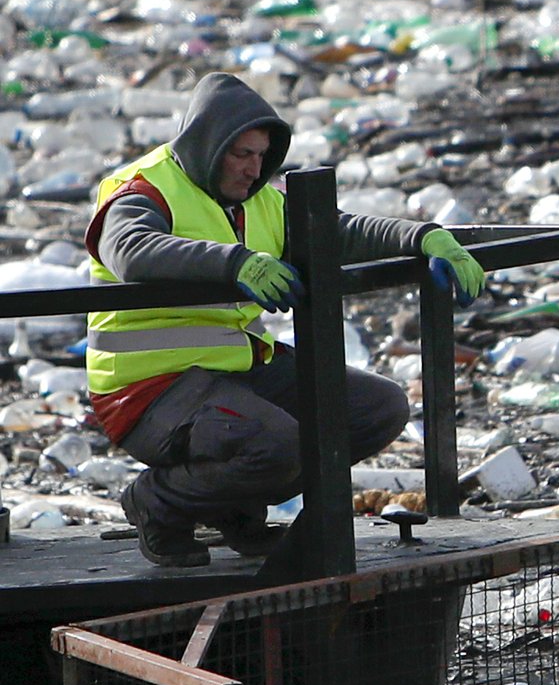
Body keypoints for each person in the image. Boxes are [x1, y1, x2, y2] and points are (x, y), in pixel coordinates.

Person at [83, 72, 489, 568]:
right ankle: (158, 502)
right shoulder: (143, 189)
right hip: (149, 389)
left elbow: (336, 230)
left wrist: (424, 237)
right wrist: (236, 263)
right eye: (241, 154)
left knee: (376, 408)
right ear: (209, 145)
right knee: (278, 444)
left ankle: (231, 506)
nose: (253, 169)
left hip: (234, 372)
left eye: (260, 156)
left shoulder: (258, 200)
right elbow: (132, 250)